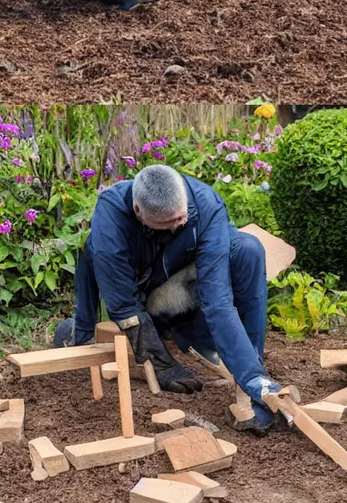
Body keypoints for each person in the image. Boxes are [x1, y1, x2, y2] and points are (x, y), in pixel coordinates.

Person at [52, 164, 284, 433]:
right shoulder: (111, 213)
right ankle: (78, 332)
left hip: (181, 281)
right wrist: (162, 365)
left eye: (182, 219)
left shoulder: (205, 204)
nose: (179, 226)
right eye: (168, 224)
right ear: (138, 212)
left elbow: (217, 298)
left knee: (247, 248)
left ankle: (254, 374)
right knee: (93, 246)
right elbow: (124, 304)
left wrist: (251, 378)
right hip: (145, 292)